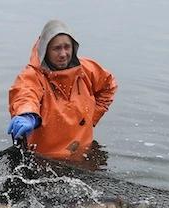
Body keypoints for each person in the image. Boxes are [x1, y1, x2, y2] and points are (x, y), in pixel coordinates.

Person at [7, 20, 117, 160]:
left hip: (82, 151)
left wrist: (92, 118)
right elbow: (25, 94)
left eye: (67, 47)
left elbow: (108, 86)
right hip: (45, 159)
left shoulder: (87, 70)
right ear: (45, 50)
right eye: (57, 48)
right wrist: (28, 115)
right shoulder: (32, 76)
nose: (63, 54)